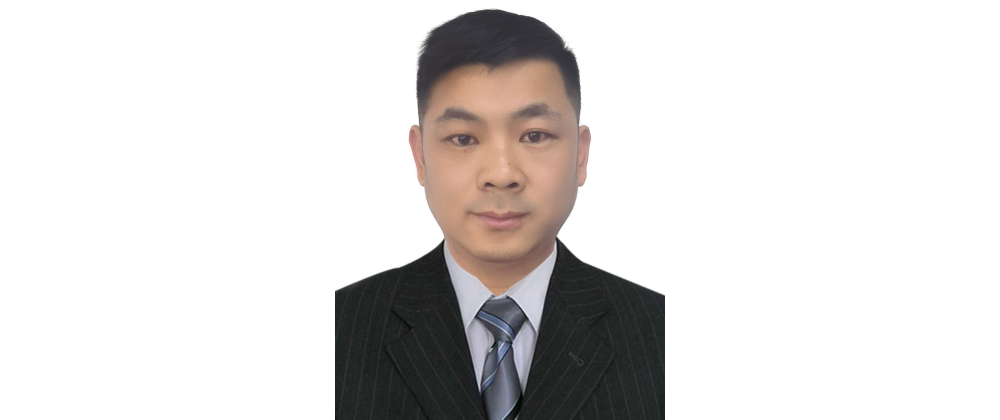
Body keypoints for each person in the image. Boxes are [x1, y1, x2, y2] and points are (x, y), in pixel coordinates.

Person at [336, 9, 664, 420]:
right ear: (420, 157)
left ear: (580, 156)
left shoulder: (662, 334)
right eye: (463, 138)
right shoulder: (337, 330)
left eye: (534, 135)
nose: (502, 174)